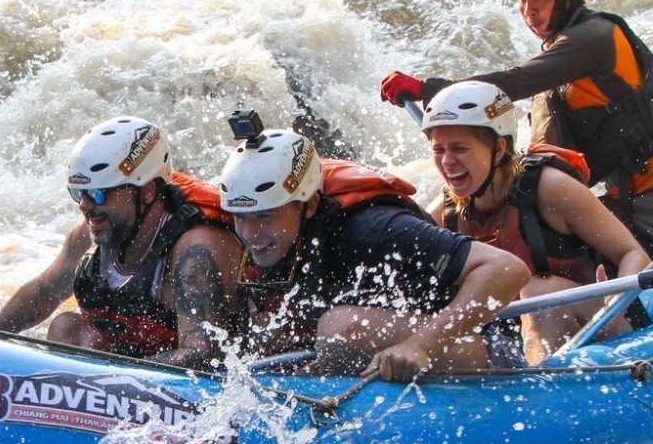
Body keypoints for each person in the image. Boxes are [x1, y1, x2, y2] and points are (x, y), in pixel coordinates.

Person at [380, 0, 653, 255]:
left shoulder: (595, 37)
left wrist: (429, 90)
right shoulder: (558, 73)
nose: (529, 11)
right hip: (623, 195)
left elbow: (518, 82)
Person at [215, 116, 529, 381]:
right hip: (390, 342)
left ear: (309, 205)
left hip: (485, 346)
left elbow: (507, 269)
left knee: (341, 329)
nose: (251, 234)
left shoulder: (376, 228)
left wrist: (421, 345)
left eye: (265, 217)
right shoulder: (273, 238)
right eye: (241, 218)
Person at [0, 116, 244, 368]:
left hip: (186, 383)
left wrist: (112, 379)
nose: (84, 206)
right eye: (79, 193)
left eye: (99, 193)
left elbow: (200, 356)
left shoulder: (197, 250)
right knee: (67, 327)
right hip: (125, 370)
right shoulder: (89, 234)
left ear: (146, 192)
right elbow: (45, 292)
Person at [419, 81, 649, 352]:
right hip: (517, 339)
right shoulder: (445, 213)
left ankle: (546, 385)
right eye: (438, 149)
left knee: (539, 292)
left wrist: (616, 301)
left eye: (459, 149)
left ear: (500, 148)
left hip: (601, 325)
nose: (446, 161)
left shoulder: (551, 188)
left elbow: (632, 253)